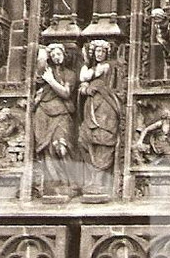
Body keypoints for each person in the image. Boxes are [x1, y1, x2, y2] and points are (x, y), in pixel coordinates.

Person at [77, 39, 122, 198]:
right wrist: (85, 89)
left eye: (102, 51)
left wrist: (84, 64)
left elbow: (85, 76)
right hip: (92, 107)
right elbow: (84, 86)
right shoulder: (97, 67)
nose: (99, 54)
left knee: (102, 139)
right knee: (85, 139)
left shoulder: (105, 66)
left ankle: (100, 181)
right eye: (96, 51)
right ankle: (93, 179)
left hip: (104, 107)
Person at [32, 44, 76, 197]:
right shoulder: (44, 72)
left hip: (61, 113)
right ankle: (54, 183)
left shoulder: (70, 74)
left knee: (61, 148)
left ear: (64, 55)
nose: (57, 57)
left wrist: (50, 80)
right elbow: (39, 67)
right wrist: (43, 53)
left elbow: (66, 93)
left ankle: (70, 182)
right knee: (47, 151)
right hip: (43, 112)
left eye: (59, 54)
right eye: (54, 55)